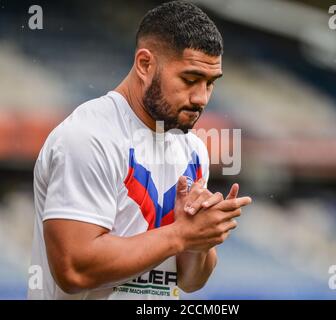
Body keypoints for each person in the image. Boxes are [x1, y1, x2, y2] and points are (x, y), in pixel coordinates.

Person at [28, 0, 251, 300]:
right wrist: (180, 234)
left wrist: (201, 239)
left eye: (210, 83)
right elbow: (74, 270)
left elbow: (189, 281)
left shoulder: (193, 149)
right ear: (145, 64)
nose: (201, 98)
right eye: (190, 79)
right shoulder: (89, 137)